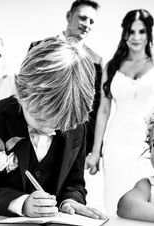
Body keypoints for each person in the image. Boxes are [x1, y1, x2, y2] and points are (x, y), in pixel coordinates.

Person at [0, 38, 106, 219]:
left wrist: (70, 201)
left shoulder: (76, 126)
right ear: (24, 92)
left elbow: (74, 183)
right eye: (42, 119)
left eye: (60, 124)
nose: (50, 129)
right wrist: (20, 203)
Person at [85, 9, 154, 215]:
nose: (135, 37)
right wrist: (96, 151)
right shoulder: (112, 66)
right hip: (117, 144)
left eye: (141, 32)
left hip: (149, 142)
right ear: (124, 33)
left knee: (151, 201)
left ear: (149, 34)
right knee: (115, 198)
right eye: (131, 32)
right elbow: (104, 110)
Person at [28, 0, 103, 154]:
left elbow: (93, 107)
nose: (87, 24)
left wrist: (89, 150)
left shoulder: (95, 60)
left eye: (92, 21)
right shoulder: (38, 47)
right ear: (69, 16)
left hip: (72, 141)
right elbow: (26, 90)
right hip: (36, 133)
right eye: (82, 18)